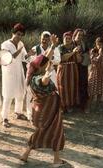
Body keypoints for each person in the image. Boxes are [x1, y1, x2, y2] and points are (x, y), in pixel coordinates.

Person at [20, 35, 65, 167]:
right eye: (45, 64)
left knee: (41, 132)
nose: (48, 63)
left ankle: (25, 154)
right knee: (57, 132)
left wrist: (53, 45)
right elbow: (43, 82)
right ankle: (56, 160)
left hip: (44, 111)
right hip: (48, 112)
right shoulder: (37, 79)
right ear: (40, 68)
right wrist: (47, 74)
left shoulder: (33, 72)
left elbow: (45, 57)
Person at [1, 23, 29, 127]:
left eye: (21, 35)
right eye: (18, 34)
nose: (19, 36)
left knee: (20, 93)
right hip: (9, 72)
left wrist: (29, 55)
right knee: (8, 95)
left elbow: (23, 57)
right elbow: (9, 57)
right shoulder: (5, 44)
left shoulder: (21, 44)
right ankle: (4, 118)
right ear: (13, 33)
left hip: (19, 70)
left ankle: (18, 112)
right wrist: (20, 50)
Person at [57, 31, 81, 113]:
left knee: (72, 87)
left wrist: (77, 53)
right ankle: (62, 106)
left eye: (69, 38)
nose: (67, 40)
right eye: (65, 38)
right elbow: (63, 58)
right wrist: (73, 52)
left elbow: (79, 60)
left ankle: (70, 105)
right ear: (63, 39)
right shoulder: (60, 47)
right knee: (63, 87)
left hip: (73, 69)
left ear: (71, 39)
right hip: (63, 69)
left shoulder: (75, 46)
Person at [88, 37, 103, 111]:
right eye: (97, 44)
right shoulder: (92, 51)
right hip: (94, 72)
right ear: (95, 44)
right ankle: (88, 106)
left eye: (101, 44)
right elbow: (94, 61)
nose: (99, 46)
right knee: (92, 90)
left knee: (100, 90)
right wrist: (99, 54)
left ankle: (97, 105)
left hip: (102, 72)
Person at [72, 28, 89, 112]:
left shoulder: (84, 44)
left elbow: (87, 54)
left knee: (83, 84)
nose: (80, 36)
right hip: (72, 67)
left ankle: (83, 105)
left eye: (82, 35)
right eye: (79, 35)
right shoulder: (71, 43)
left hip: (82, 67)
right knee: (73, 85)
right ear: (75, 35)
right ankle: (74, 103)